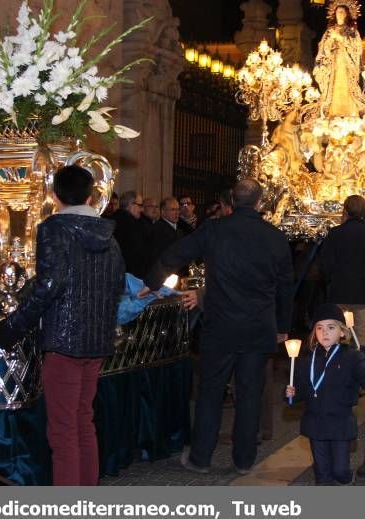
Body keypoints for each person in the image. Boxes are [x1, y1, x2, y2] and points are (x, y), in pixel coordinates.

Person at [141, 178, 294, 474]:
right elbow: (285, 286)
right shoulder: (275, 237)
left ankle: (200, 457)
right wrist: (283, 325)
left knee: (210, 392)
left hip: (220, 326)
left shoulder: (214, 230)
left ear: (232, 202)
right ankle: (244, 459)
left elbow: (177, 253)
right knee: (250, 394)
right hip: (257, 327)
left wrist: (152, 281)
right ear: (260, 204)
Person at [0, 165, 125, 485]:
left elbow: (50, 285)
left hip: (63, 341)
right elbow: (117, 285)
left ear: (54, 196)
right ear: (91, 196)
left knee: (63, 432)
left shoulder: (55, 228)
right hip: (97, 340)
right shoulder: (111, 238)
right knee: (83, 422)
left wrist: (12, 327)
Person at [285, 304, 365, 485]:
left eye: (331, 327)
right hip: (316, 423)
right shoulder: (307, 360)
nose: (325, 332)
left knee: (340, 470)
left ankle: (346, 478)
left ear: (342, 332)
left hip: (340, 422)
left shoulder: (352, 357)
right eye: (319, 328)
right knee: (322, 473)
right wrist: (292, 393)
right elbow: (301, 389)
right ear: (315, 333)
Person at [318, 195, 365, 348]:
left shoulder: (335, 233)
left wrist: (329, 283)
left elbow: (325, 266)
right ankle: (360, 369)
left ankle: (338, 369)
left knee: (338, 336)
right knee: (362, 340)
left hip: (338, 293)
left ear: (345, 211)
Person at [312, 0, 365, 118]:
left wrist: (339, 38)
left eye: (342, 12)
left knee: (346, 86)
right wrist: (328, 49)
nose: (339, 14)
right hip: (332, 63)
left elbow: (356, 48)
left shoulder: (351, 31)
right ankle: (332, 112)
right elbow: (323, 47)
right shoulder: (329, 31)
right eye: (337, 12)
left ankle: (349, 111)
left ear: (347, 15)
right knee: (332, 88)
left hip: (346, 64)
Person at [112, 191, 150, 279]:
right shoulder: (132, 226)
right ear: (130, 205)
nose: (142, 209)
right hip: (131, 277)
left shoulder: (113, 220)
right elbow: (138, 255)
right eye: (140, 205)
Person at [148, 197, 183, 270]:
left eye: (178, 209)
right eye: (173, 210)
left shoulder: (180, 229)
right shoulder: (157, 229)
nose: (177, 213)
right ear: (163, 212)